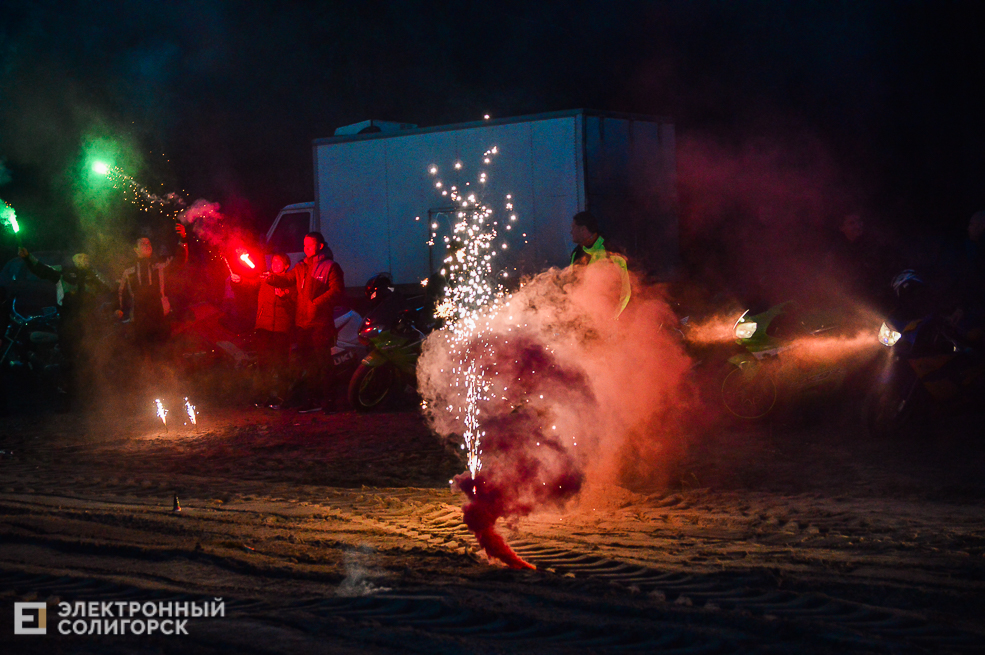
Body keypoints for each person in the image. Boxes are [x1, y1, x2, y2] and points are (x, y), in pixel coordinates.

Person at [264, 231, 345, 413]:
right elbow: (287, 279)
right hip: (302, 325)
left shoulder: (330, 267)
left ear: (320, 246)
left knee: (323, 365)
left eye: (310, 244)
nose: (305, 247)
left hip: (320, 325)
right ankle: (311, 400)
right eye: (304, 244)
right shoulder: (301, 267)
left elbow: (337, 291)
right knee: (307, 366)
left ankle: (330, 402)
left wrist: (315, 303)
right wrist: (272, 278)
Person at [18, 247, 113, 396]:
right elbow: (42, 270)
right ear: (74, 260)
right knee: (69, 357)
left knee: (90, 357)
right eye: (80, 257)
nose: (84, 260)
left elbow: (108, 287)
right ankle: (70, 393)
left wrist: (94, 273)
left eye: (86, 257)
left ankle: (91, 393)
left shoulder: (92, 275)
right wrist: (28, 258)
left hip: (88, 321)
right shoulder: (63, 271)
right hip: (68, 321)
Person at [232, 252, 296, 407]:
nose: (274, 264)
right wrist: (240, 280)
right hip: (263, 328)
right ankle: (263, 396)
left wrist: (284, 297)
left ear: (286, 266)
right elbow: (251, 283)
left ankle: (283, 397)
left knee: (281, 364)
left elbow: (294, 306)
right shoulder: (266, 279)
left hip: (281, 329)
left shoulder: (290, 281)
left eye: (279, 262)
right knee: (264, 364)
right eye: (273, 261)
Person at [116, 223, 189, 352]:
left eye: (148, 243)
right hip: (139, 320)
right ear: (135, 249)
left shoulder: (159, 264)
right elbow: (121, 292)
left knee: (163, 354)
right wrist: (118, 309)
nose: (147, 245)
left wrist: (182, 239)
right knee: (142, 355)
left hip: (160, 318)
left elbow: (180, 260)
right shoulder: (129, 270)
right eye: (143, 243)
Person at [569, 210, 631, 314]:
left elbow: (626, 292)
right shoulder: (576, 253)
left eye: (573, 228)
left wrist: (614, 318)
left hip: (606, 320)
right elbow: (572, 286)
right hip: (583, 319)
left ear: (583, 229)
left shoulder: (612, 253)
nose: (571, 232)